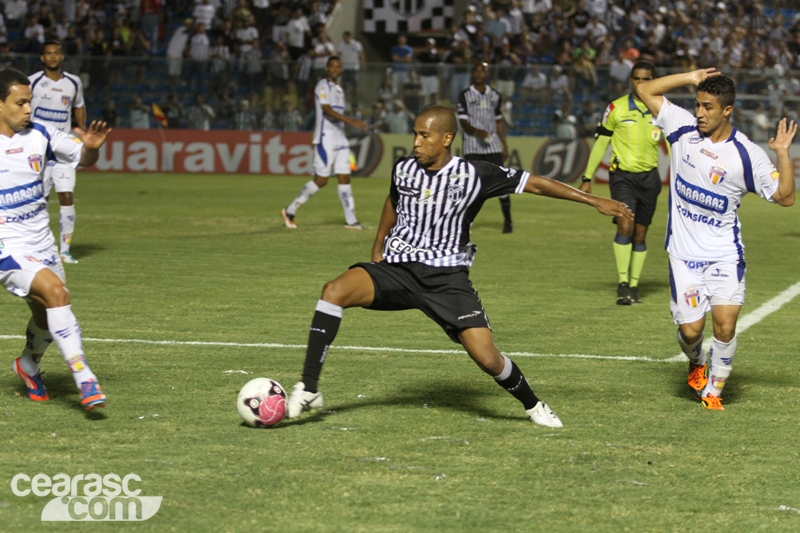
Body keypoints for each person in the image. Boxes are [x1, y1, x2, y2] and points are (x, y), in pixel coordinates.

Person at [284, 105, 633, 427]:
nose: (416, 142)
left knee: (488, 359)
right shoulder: (404, 167)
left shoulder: (476, 174)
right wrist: (378, 246)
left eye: (425, 135)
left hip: (446, 279)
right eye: (415, 134)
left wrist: (592, 200)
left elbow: (536, 183)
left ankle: (533, 405)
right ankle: (309, 387)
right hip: (398, 269)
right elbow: (394, 200)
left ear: (446, 138)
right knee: (334, 291)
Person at [637, 68, 796, 410]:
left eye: (707, 107)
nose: (699, 113)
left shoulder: (746, 154)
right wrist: (689, 76)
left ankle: (714, 391)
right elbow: (645, 90)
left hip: (725, 254)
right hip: (683, 255)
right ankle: (696, 361)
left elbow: (785, 197)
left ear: (727, 110)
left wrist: (782, 153)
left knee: (724, 325)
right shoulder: (681, 128)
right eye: (697, 105)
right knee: (692, 332)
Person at [0, 68, 112, 410]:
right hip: (7, 246)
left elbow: (84, 157)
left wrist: (91, 149)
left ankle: (28, 365)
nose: (28, 109)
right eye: (20, 103)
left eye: (30, 102)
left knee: (47, 315)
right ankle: (84, 378)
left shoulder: (42, 135)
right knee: (57, 293)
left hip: (41, 243)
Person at [579, 61, 663, 305]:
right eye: (637, 78)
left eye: (646, 78)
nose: (641, 83)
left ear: (654, 80)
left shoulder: (663, 110)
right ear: (631, 80)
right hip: (622, 176)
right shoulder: (616, 107)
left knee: (640, 233)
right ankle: (623, 283)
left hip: (650, 178)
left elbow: (673, 145)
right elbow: (601, 143)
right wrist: (587, 177)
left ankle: (634, 286)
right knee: (626, 225)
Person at [280, 56, 367, 230]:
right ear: (327, 69)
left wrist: (347, 125)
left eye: (338, 66)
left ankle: (351, 221)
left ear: (341, 70)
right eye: (332, 66)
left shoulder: (339, 89)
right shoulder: (322, 85)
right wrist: (351, 121)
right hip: (325, 138)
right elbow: (326, 111)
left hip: (340, 138)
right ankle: (290, 210)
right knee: (321, 180)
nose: (335, 69)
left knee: (344, 177)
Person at [29, 40, 86, 264]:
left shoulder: (73, 82)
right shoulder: (32, 82)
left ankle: (65, 251)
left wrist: (80, 130)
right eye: (48, 54)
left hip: (62, 148)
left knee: (66, 195)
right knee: (39, 198)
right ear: (42, 58)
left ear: (61, 57)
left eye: (56, 53)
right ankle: (38, 247)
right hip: (38, 148)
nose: (53, 57)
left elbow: (79, 105)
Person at [457, 62, 514, 233]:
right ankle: (466, 222)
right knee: (470, 184)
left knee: (501, 181)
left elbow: (498, 121)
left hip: (492, 145)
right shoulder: (465, 95)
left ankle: (508, 221)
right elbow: (463, 121)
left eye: (482, 70)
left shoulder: (495, 95)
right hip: (472, 145)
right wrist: (477, 131)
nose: (479, 72)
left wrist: (504, 145)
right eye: (476, 69)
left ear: (487, 74)